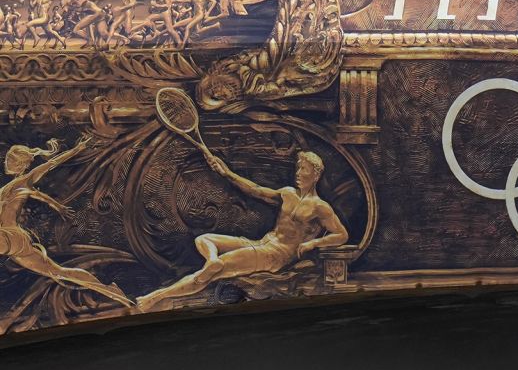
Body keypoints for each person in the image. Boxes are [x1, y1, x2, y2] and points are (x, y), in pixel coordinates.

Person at [136, 148, 349, 311]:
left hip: (277, 255)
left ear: (316, 175)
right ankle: (212, 260)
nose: (298, 173)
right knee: (204, 239)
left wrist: (313, 243)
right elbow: (255, 190)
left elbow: (342, 235)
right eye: (298, 167)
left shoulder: (321, 207)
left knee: (212, 273)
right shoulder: (287, 193)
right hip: (262, 243)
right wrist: (226, 172)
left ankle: (157, 297)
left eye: (304, 169)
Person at [0, 137, 132, 307]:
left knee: (59, 272)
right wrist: (55, 205)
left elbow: (53, 163)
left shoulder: (25, 180)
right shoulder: (8, 188)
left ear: (20, 163)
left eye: (10, 160)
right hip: (15, 241)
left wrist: (78, 149)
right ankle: (109, 291)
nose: (6, 163)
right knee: (59, 272)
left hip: (9, 236)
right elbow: (39, 193)